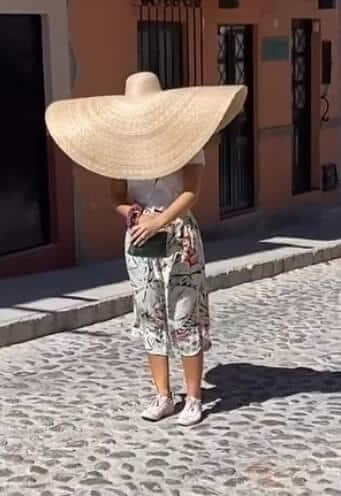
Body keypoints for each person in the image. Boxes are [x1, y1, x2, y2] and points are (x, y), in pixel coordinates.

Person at [45, 72, 247, 426]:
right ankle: (163, 395)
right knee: (150, 315)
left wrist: (161, 219)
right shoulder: (118, 150)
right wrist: (133, 214)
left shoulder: (188, 141)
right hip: (139, 239)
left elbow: (191, 193)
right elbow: (116, 196)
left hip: (180, 237)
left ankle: (194, 398)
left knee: (185, 316)